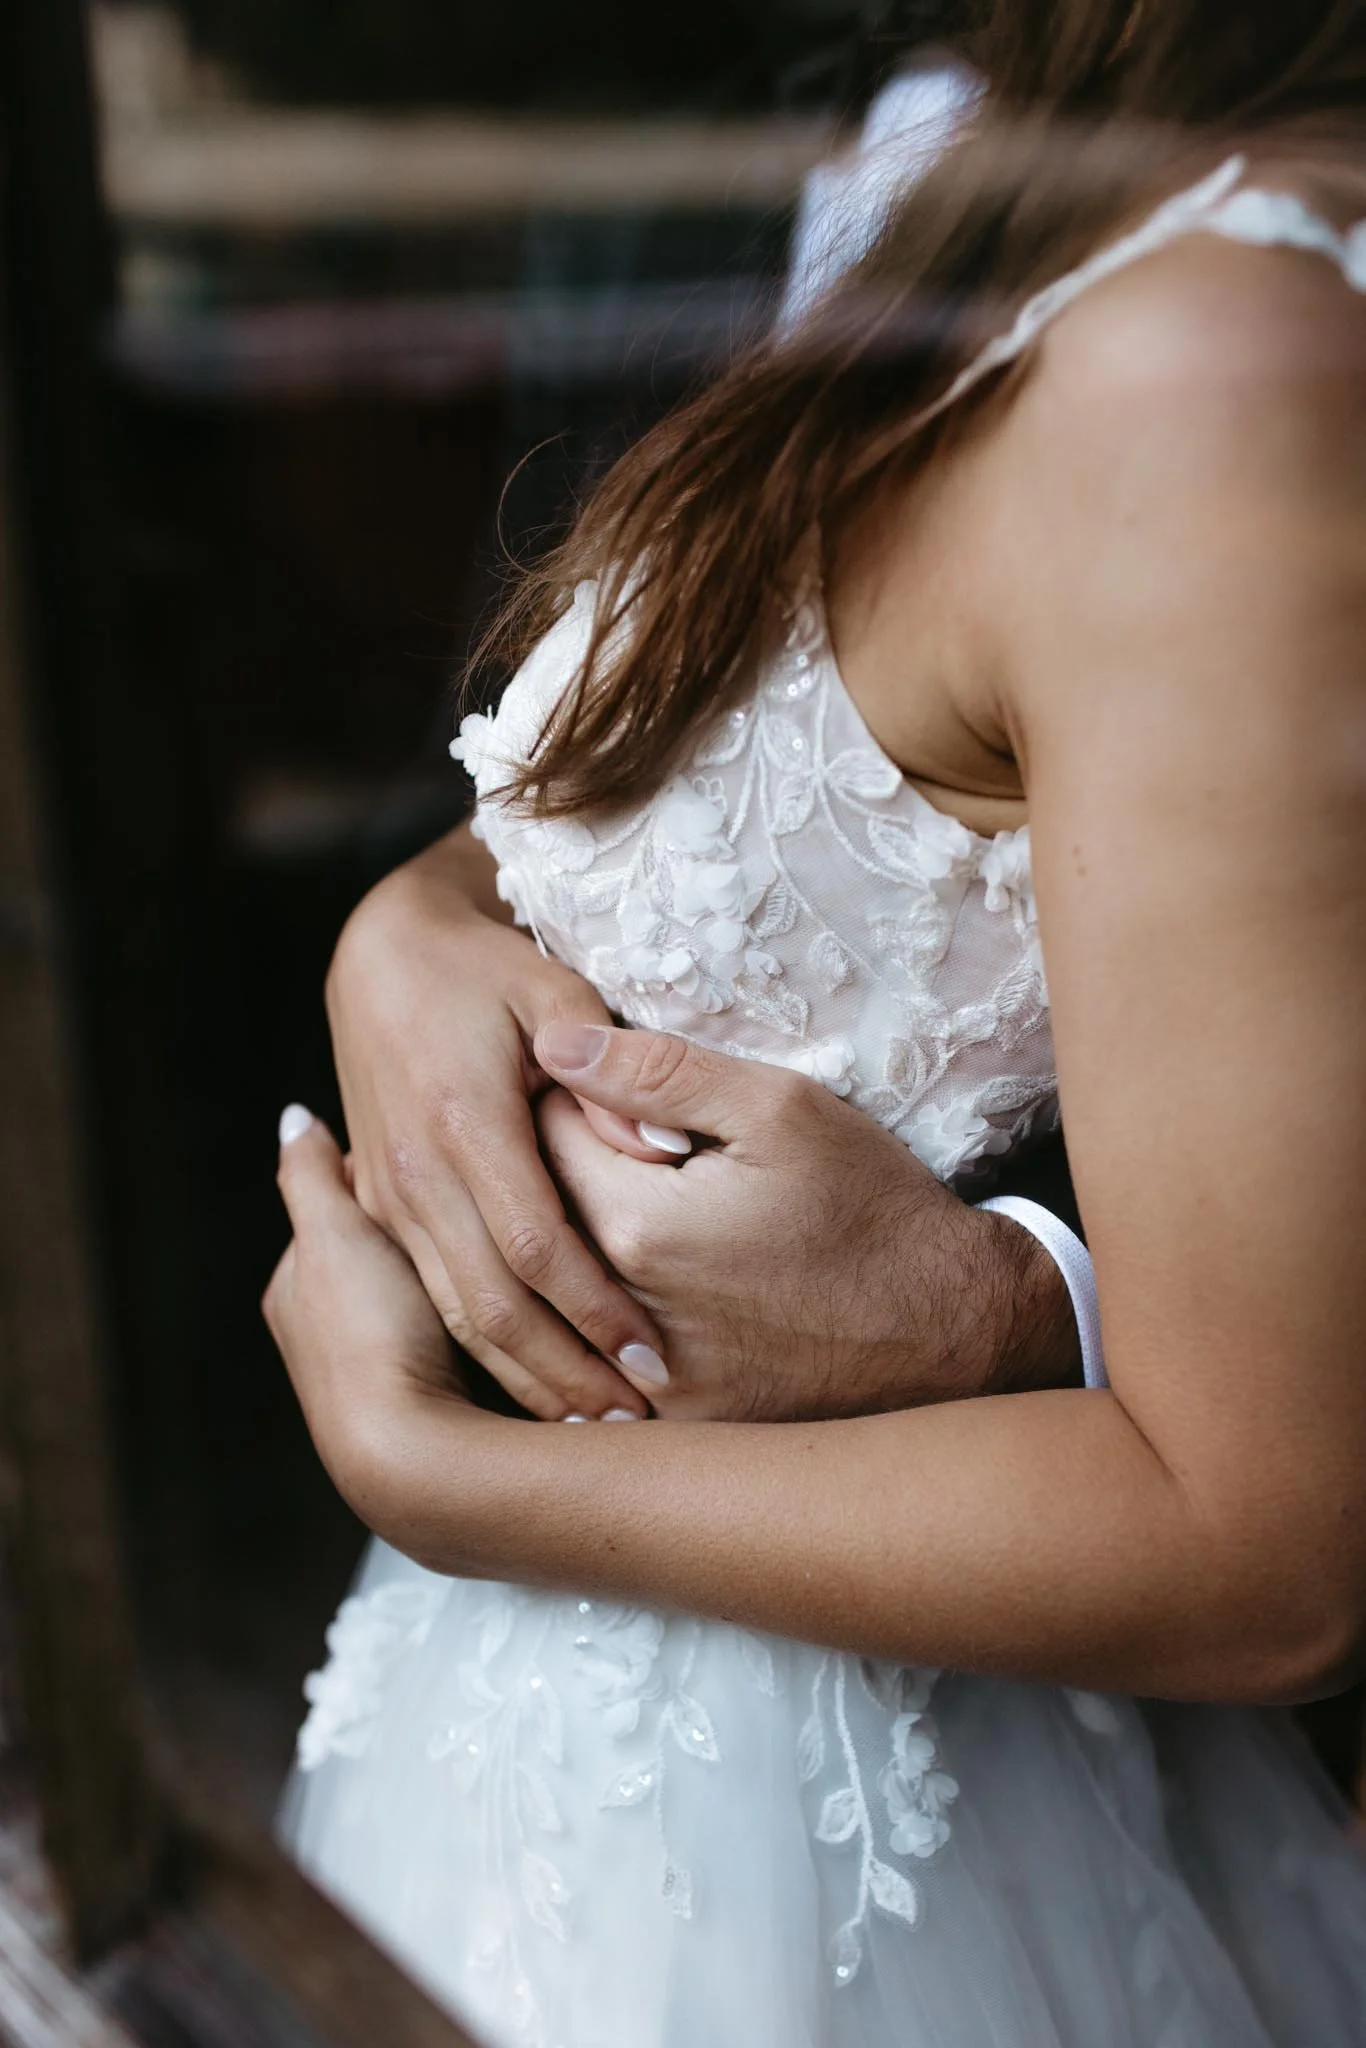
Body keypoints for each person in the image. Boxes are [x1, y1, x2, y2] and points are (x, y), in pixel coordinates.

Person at [266, 2, 1366, 2042]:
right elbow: (785, 784)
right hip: (560, 1733)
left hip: (815, 1760)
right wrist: (413, 917)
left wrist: (435, 1471)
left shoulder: (1216, 349)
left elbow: (1273, 1547)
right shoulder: (1008, 156)